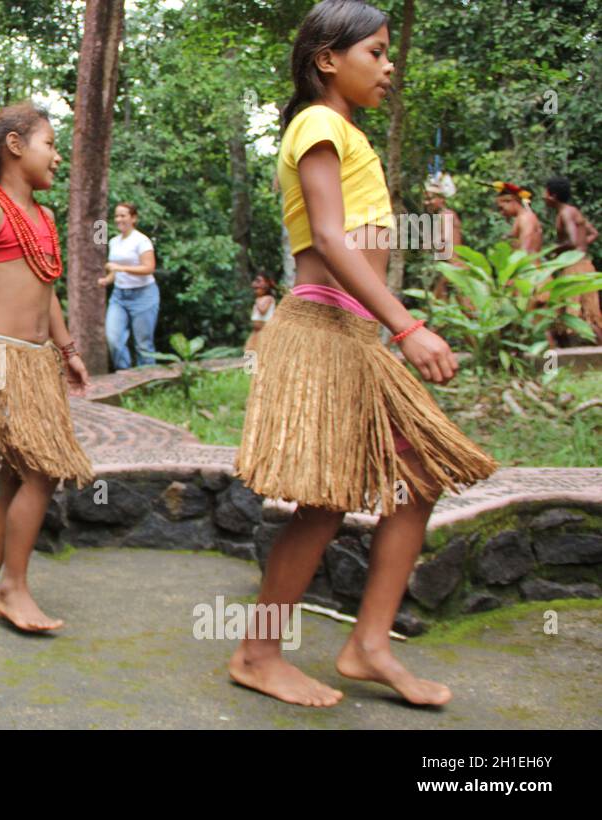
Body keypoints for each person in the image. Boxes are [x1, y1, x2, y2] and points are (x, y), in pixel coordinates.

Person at [232, 0, 496, 708]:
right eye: (375, 52)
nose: (388, 66)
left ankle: (368, 643)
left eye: (387, 53)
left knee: (418, 475)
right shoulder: (318, 122)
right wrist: (408, 328)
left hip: (354, 337)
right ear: (328, 60)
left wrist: (390, 331)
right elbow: (329, 236)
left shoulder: (347, 132)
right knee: (322, 502)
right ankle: (258, 653)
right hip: (322, 329)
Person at [0, 102, 95, 632]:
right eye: (50, 144)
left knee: (15, 475)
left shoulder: (44, 218)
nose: (57, 156)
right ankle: (14, 585)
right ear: (14, 147)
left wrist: (69, 350)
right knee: (41, 470)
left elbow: (46, 286)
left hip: (37, 363)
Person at [98, 202, 158, 369]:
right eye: (116, 216)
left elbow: (149, 268)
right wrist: (107, 280)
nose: (118, 219)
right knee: (114, 339)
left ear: (133, 218)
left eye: (123, 215)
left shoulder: (142, 241)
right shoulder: (114, 242)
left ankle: (148, 382)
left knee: (143, 344)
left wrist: (120, 268)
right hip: (119, 296)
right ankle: (125, 377)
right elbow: (115, 271)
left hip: (144, 295)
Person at [544, 176, 602, 344]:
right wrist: (582, 247)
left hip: (575, 267)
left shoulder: (565, 213)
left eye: (545, 193)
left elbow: (573, 241)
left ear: (552, 196)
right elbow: (593, 234)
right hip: (585, 263)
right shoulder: (573, 210)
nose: (543, 196)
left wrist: (553, 249)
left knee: (578, 314)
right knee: (586, 313)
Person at [421, 172, 463, 299]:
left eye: (431, 198)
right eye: (426, 199)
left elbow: (444, 240)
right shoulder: (443, 215)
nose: (427, 202)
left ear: (442, 200)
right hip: (450, 268)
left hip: (454, 268)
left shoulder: (446, 215)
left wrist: (429, 244)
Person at [492, 181, 542, 253]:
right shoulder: (521, 218)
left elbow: (526, 248)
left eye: (501, 208)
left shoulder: (526, 218)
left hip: (529, 263)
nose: (501, 213)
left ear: (511, 200)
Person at [244, 272, 278, 352]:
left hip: (265, 330)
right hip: (257, 331)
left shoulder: (269, 298)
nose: (256, 285)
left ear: (266, 286)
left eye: (259, 282)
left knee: (263, 351)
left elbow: (263, 311)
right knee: (252, 352)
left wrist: (257, 301)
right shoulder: (259, 299)